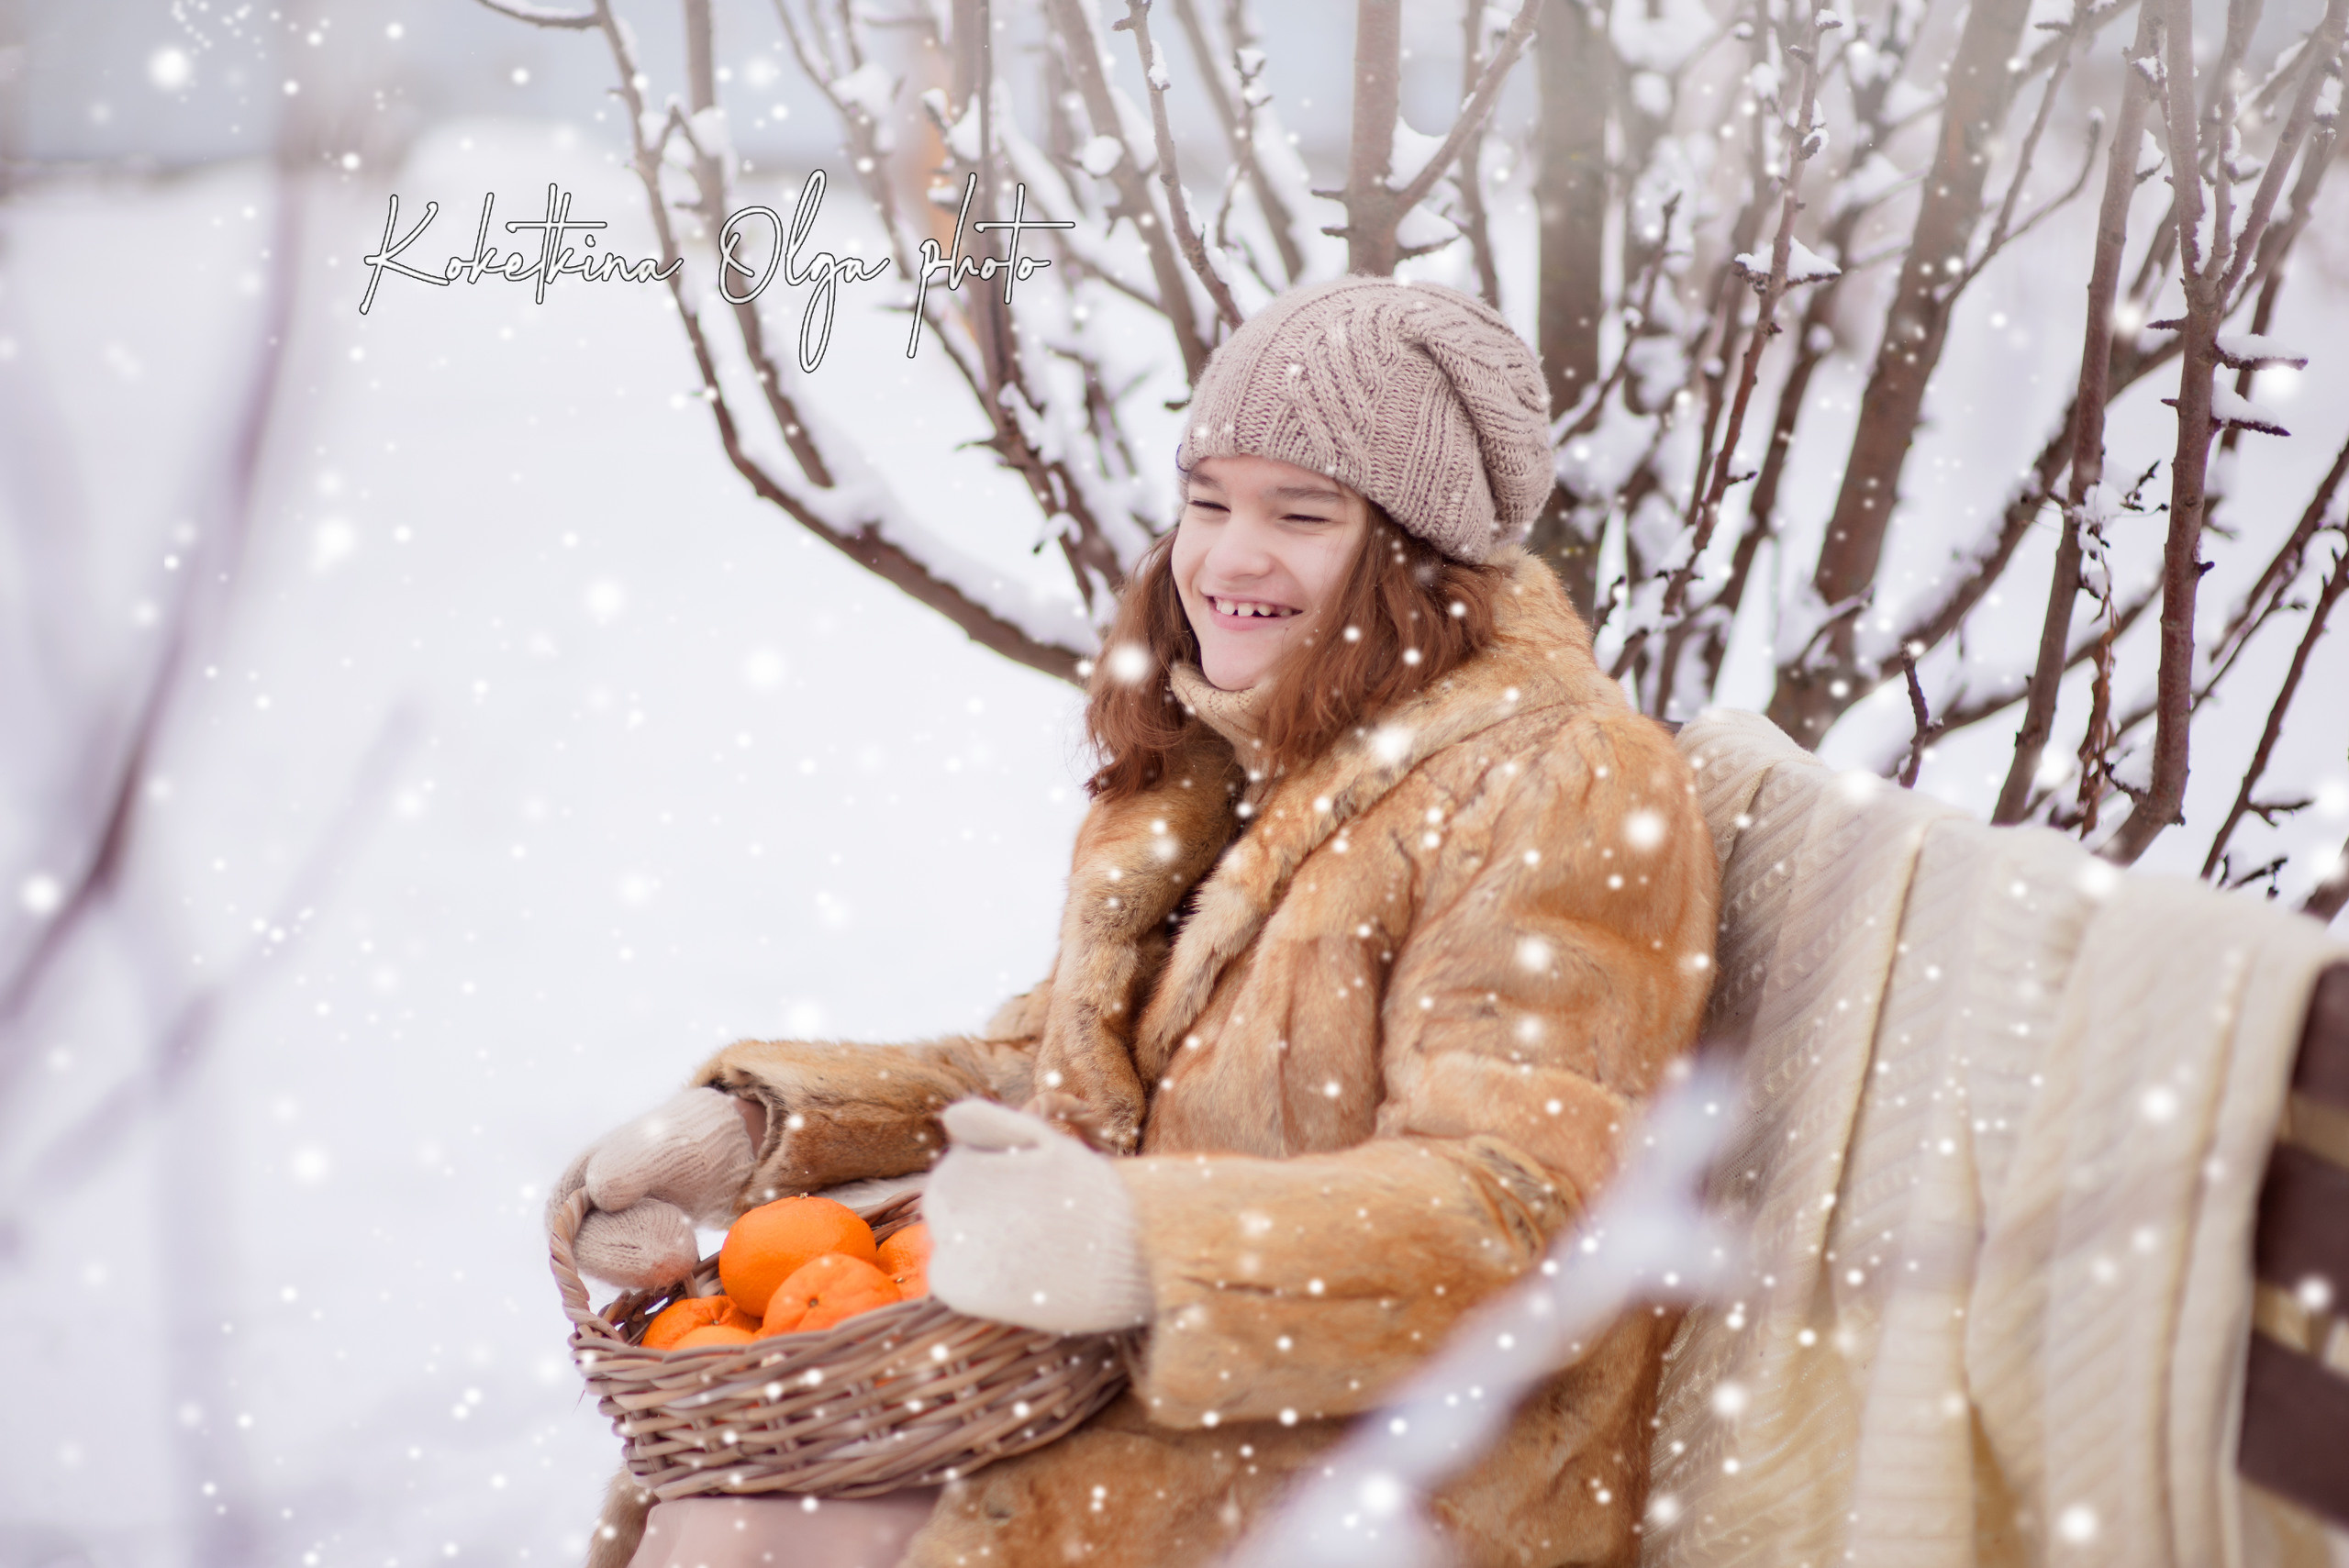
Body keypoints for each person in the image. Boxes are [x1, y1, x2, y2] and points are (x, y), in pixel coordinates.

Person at [551, 276, 1720, 1568]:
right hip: (1162, 1407)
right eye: (1208, 499)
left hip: (1394, 1466)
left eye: (1301, 512)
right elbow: (1060, 1073)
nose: (1226, 557)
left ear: (1417, 553)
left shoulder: (1562, 781)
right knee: (728, 1493)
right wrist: (765, 1132)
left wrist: (1140, 1245)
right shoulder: (1244, 748)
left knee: (743, 1532)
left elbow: (1518, 1210)